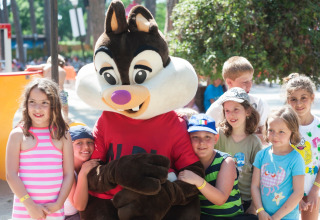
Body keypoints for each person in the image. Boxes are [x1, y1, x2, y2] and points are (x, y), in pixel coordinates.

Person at [6, 78, 74, 219]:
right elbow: (11, 175)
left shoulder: (62, 135)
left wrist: (59, 203)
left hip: (54, 210)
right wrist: (31, 206)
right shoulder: (18, 135)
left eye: (44, 103)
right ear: (26, 104)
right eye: (32, 102)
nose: (37, 108)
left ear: (54, 105)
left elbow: (68, 174)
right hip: (25, 210)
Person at [178, 114, 244, 219]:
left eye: (207, 137)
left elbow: (221, 199)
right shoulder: (187, 163)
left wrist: (197, 180)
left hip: (230, 217)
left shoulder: (226, 162)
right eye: (195, 137)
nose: (202, 142)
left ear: (216, 138)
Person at [215, 87, 262, 215]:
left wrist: (253, 206)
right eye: (227, 111)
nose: (231, 114)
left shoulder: (254, 142)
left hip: (245, 203)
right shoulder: (218, 136)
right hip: (222, 200)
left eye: (236, 109)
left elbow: (259, 177)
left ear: (247, 111)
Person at [251, 106, 305, 220]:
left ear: (292, 131)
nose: (275, 136)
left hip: (287, 217)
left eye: (281, 132)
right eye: (271, 130)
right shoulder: (261, 155)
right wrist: (260, 210)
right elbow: (255, 186)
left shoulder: (296, 159)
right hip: (263, 216)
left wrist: (276, 217)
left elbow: (298, 193)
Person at [284, 73, 320, 220]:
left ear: (312, 97)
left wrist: (315, 190)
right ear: (288, 101)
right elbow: (280, 158)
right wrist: (294, 194)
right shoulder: (285, 126)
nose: (299, 103)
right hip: (287, 189)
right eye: (294, 99)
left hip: (313, 187)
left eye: (303, 98)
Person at [206, 56, 269, 137]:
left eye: (251, 80)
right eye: (245, 82)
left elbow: (266, 137)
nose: (250, 86)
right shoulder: (215, 109)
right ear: (229, 82)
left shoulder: (259, 103)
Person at [64, 125, 100, 219]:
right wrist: (83, 173)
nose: (86, 147)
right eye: (79, 143)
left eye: (90, 142)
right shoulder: (65, 167)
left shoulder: (89, 165)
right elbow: (79, 206)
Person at [26, 55, 70, 123]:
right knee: (65, 107)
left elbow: (29, 68)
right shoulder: (63, 70)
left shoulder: (47, 66)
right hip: (61, 92)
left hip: (49, 91)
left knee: (50, 107)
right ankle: (66, 120)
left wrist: (40, 72)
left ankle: (51, 121)